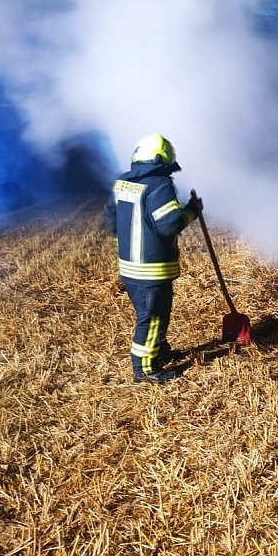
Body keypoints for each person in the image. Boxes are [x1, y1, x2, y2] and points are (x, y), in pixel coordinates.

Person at [104, 133, 201, 383]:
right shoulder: (159, 185)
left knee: (151, 315)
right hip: (152, 269)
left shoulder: (122, 183)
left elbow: (111, 221)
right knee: (153, 318)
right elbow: (169, 224)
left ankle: (158, 352)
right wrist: (191, 211)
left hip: (130, 268)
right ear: (163, 159)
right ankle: (146, 369)